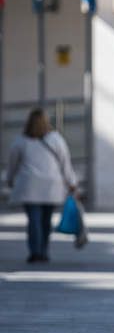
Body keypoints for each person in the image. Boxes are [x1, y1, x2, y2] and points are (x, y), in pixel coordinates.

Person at [6, 108, 77, 263]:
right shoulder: (56, 139)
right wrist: (71, 181)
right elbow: (65, 162)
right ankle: (43, 251)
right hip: (51, 186)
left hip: (29, 186)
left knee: (34, 220)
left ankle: (35, 252)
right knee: (46, 220)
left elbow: (12, 163)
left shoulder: (21, 140)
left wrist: (10, 179)